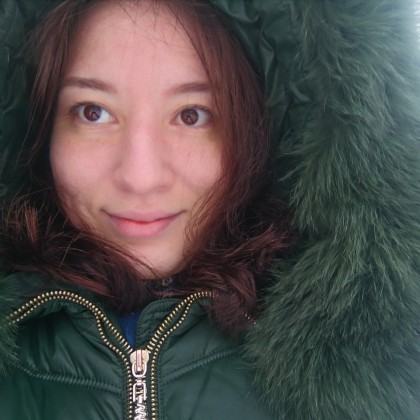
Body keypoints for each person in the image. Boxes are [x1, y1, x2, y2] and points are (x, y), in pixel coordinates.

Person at [0, 0, 419, 419]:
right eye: (94, 112)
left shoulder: (389, 376)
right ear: (37, 128)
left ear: (262, 131)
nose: (140, 177)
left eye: (192, 115)